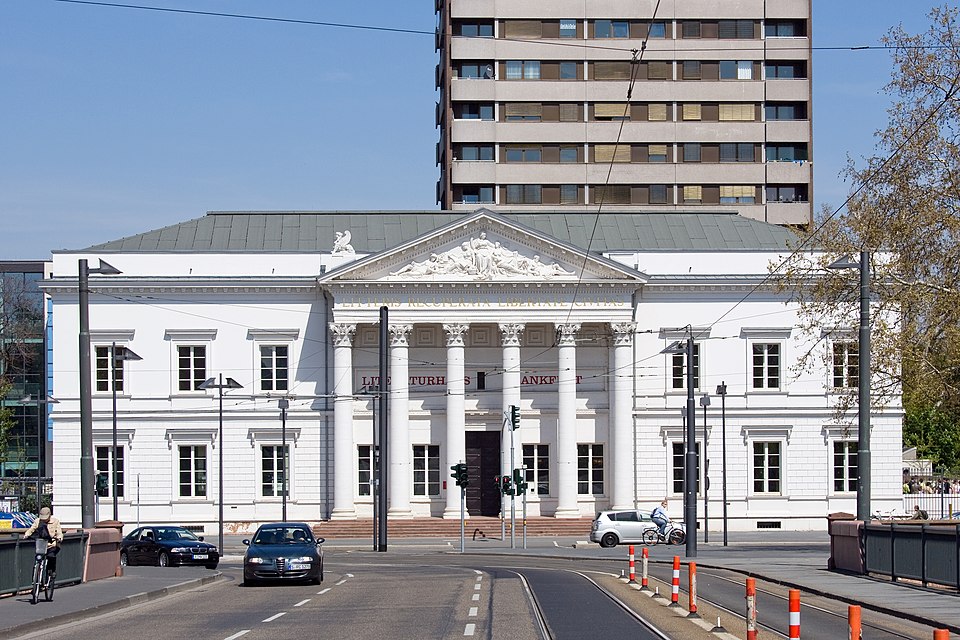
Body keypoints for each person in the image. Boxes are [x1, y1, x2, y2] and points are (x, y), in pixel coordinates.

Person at [23, 506, 64, 577]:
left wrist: (59, 538)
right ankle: (37, 576)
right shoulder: (37, 521)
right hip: (41, 545)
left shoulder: (55, 521)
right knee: (38, 558)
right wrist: (27, 535)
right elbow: (31, 529)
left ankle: (51, 572)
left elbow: (59, 532)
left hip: (52, 544)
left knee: (51, 557)